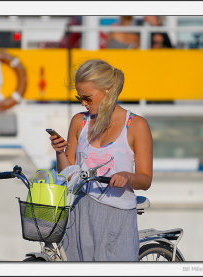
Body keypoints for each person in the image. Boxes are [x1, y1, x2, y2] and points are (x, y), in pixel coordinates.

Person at [49, 59, 153, 261]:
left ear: (107, 90)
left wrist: (127, 176)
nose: (83, 104)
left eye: (87, 98)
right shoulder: (80, 121)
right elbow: (68, 175)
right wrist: (60, 152)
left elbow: (146, 179)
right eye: (80, 97)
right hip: (79, 214)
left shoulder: (136, 125)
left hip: (116, 217)